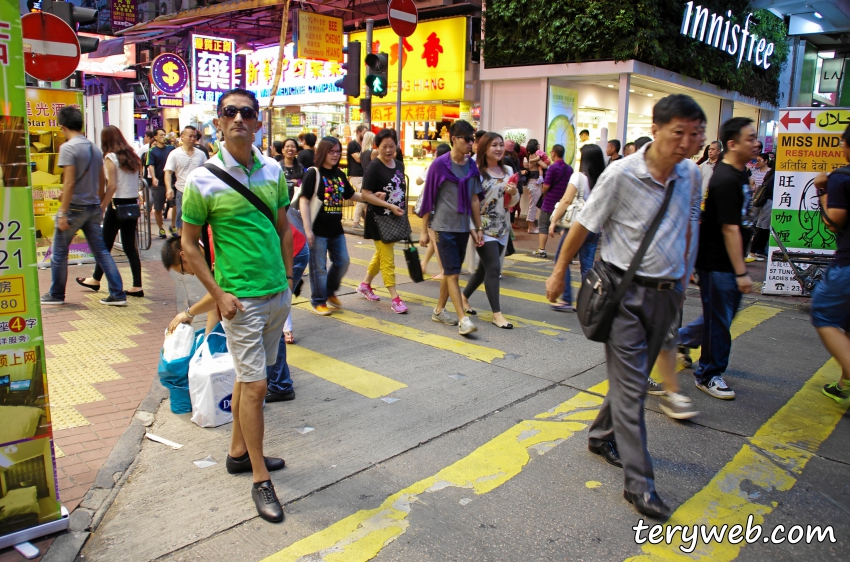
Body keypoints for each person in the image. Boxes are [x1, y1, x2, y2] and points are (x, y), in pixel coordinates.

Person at [545, 94, 706, 518]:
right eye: (679, 134)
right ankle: (640, 485)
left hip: (668, 294)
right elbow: (583, 225)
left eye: (696, 134)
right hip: (623, 295)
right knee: (633, 389)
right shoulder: (621, 174)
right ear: (655, 130)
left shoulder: (691, 174)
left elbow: (690, 227)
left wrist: (685, 281)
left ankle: (600, 434)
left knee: (628, 379)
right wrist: (559, 270)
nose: (687, 143)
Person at [180, 88, 293, 523]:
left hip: (276, 295)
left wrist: (286, 277)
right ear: (219, 122)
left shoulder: (273, 171)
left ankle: (237, 454)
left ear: (258, 122)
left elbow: (283, 228)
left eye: (247, 112)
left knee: (251, 381)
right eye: (230, 112)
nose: (239, 119)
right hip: (240, 302)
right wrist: (219, 294)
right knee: (258, 384)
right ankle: (260, 477)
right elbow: (189, 247)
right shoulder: (202, 179)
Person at [679, 117, 757, 401]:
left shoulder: (738, 174)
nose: (756, 142)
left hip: (725, 264)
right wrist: (741, 272)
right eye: (749, 138)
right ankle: (709, 374)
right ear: (733, 144)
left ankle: (678, 340)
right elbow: (729, 228)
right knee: (719, 321)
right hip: (718, 263)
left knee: (719, 317)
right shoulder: (724, 180)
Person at [41, 107, 127, 307]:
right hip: (92, 208)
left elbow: (69, 183)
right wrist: (99, 205)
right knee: (102, 251)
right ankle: (117, 293)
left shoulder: (68, 148)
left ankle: (56, 294)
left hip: (73, 208)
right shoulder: (94, 149)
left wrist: (62, 212)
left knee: (60, 252)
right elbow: (100, 182)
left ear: (62, 127)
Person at [417, 120, 484, 337]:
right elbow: (429, 198)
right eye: (467, 139)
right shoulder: (439, 165)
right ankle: (463, 320)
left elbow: (474, 199)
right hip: (443, 227)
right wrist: (424, 230)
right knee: (453, 273)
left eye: (472, 140)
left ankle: (438, 310)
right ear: (454, 139)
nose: (470, 144)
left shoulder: (471, 166)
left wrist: (477, 227)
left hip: (463, 227)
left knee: (449, 272)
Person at [301, 137, 369, 315]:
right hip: (317, 230)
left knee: (343, 261)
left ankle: (329, 291)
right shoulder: (313, 173)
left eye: (338, 152)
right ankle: (318, 301)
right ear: (323, 151)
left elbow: (351, 194)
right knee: (319, 268)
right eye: (332, 151)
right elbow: (304, 200)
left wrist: (370, 196)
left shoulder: (339, 174)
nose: (335, 155)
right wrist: (307, 229)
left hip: (336, 229)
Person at [75, 125, 144, 298]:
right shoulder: (133, 157)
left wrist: (102, 205)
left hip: (117, 205)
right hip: (132, 205)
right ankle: (137, 285)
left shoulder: (110, 157)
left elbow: (112, 185)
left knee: (104, 245)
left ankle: (96, 280)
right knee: (129, 246)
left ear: (105, 140)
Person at [460, 132, 519, 329]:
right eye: (494, 145)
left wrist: (514, 193)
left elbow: (513, 202)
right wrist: (474, 229)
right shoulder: (475, 172)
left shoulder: (508, 170)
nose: (499, 149)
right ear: (484, 148)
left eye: (501, 145)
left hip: (502, 227)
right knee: (494, 268)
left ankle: (463, 296)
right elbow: (470, 202)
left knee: (484, 268)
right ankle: (497, 315)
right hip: (482, 227)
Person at [812, 124, 850, 404]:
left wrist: (822, 190)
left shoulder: (841, 177)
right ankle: (843, 385)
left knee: (823, 314)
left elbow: (833, 221)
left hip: (847, 264)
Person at [356, 129, 409, 313]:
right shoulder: (374, 167)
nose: (388, 150)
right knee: (388, 259)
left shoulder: (399, 165)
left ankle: (365, 284)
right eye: (384, 146)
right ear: (377, 147)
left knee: (381, 254)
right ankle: (395, 298)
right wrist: (387, 204)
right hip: (378, 219)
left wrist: (398, 208)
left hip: (395, 217)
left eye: (391, 146)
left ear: (397, 145)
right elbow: (365, 194)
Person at [548, 143, 605, 312]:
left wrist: (554, 221)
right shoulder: (603, 178)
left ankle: (566, 299)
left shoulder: (578, 177)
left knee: (561, 259)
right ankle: (587, 301)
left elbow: (566, 200)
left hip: (578, 226)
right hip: (595, 227)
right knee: (587, 266)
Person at [165, 126, 207, 239]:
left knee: (199, 220)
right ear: (182, 137)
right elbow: (168, 172)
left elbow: (207, 171)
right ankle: (182, 246)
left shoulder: (201, 154)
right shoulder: (175, 154)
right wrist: (168, 188)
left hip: (199, 192)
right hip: (182, 191)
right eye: (190, 136)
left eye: (195, 136)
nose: (193, 138)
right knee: (182, 221)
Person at [416, 143, 451, 279]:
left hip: (432, 207)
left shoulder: (434, 166)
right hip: (443, 207)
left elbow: (418, 181)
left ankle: (443, 270)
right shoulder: (450, 166)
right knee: (433, 238)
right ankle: (423, 264)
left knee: (435, 239)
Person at [534, 144, 573, 258]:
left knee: (543, 225)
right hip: (562, 202)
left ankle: (542, 249)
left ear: (554, 153)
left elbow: (546, 185)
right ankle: (567, 250)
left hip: (550, 201)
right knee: (562, 226)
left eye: (551, 152)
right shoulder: (569, 168)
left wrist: (543, 189)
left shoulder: (552, 167)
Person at [146, 128, 175, 238]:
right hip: (159, 183)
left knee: (175, 205)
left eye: (164, 135)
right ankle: (161, 228)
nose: (163, 137)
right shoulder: (152, 151)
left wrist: (175, 141)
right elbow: (151, 165)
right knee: (158, 208)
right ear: (155, 137)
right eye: (161, 135)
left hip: (172, 182)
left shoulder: (171, 148)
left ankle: (173, 226)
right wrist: (153, 177)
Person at [749, 158, 775, 260]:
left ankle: (757, 251)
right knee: (762, 227)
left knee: (761, 227)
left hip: (761, 199)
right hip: (767, 201)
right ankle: (753, 252)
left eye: (760, 160)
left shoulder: (770, 172)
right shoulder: (773, 173)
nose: (757, 162)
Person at [524, 139, 549, 234]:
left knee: (533, 204)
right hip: (534, 183)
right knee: (533, 205)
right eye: (538, 144)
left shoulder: (531, 155)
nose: (539, 146)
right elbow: (545, 166)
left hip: (534, 182)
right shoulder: (535, 156)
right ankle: (531, 227)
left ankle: (532, 225)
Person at [348, 124, 369, 228]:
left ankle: (364, 219)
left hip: (363, 175)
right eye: (364, 133)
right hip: (355, 175)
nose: (365, 135)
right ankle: (356, 222)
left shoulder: (363, 145)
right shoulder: (353, 145)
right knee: (364, 196)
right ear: (358, 132)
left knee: (365, 197)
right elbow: (358, 159)